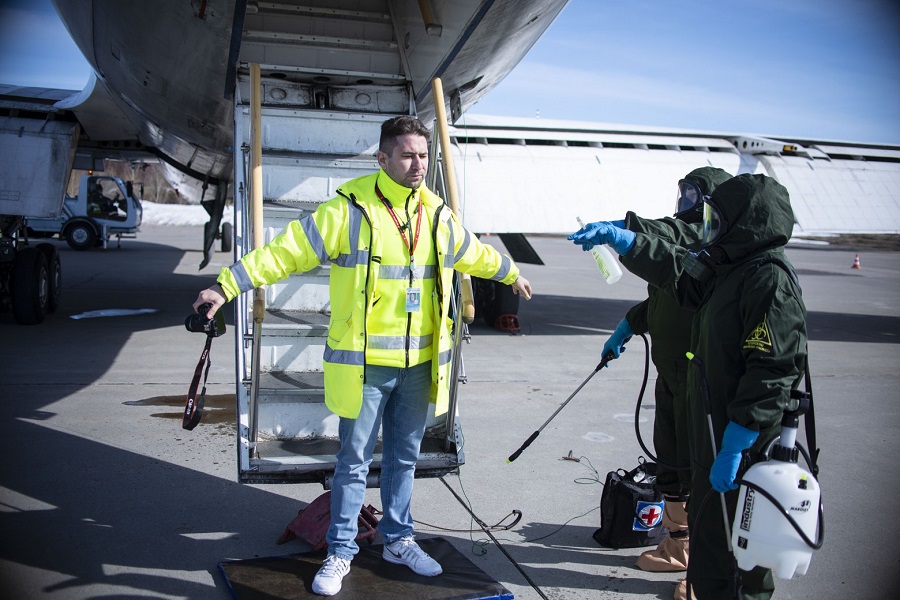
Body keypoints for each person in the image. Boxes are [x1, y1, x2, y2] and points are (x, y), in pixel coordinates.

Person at [193, 115, 532, 597]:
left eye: (424, 155)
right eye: (409, 155)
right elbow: (283, 252)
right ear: (383, 159)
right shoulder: (348, 210)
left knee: (403, 459)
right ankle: (341, 550)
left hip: (419, 366)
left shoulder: (435, 213)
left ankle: (398, 539)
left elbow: (472, 252)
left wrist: (509, 272)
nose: (419, 165)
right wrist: (225, 287)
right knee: (352, 461)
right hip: (368, 366)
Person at [570, 174, 807, 600]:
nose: (710, 227)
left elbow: (772, 372)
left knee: (742, 543)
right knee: (711, 534)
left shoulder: (768, 281)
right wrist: (627, 243)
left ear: (746, 222)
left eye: (720, 218)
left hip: (744, 441)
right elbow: (678, 273)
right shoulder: (730, 270)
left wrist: (738, 441)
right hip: (715, 428)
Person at [601, 167, 732, 574]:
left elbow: (669, 240)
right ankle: (678, 546)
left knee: (699, 463)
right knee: (671, 459)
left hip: (699, 377)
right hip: (669, 373)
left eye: (694, 195)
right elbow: (661, 296)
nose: (684, 202)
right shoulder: (679, 234)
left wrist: (627, 230)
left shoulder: (708, 243)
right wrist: (629, 324)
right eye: (683, 192)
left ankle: (703, 562)